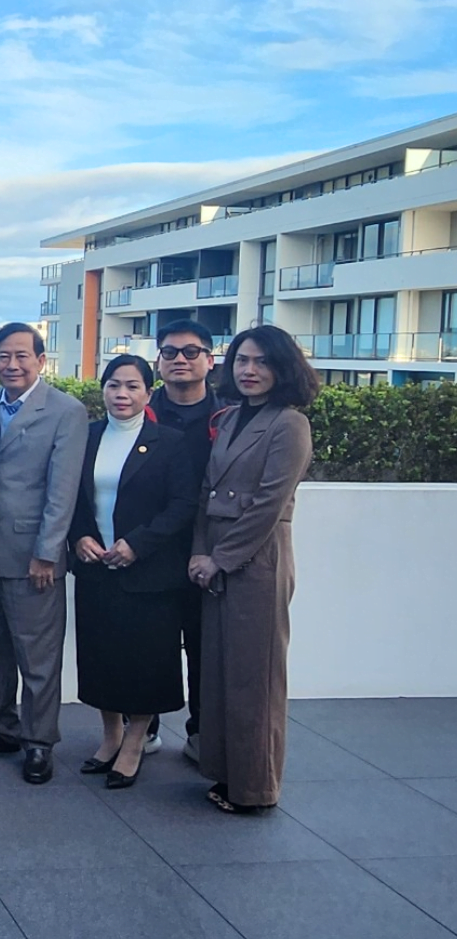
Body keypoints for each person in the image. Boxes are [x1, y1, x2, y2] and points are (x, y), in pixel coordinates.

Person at [191, 325, 316, 815]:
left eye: (262, 361)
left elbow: (269, 505)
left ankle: (255, 788)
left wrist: (219, 558)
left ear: (282, 368)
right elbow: (205, 493)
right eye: (242, 360)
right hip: (216, 558)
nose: (249, 370)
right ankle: (225, 772)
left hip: (259, 561)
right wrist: (200, 553)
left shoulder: (289, 424)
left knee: (255, 679)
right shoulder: (228, 418)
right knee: (220, 674)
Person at [0, 322, 87, 785]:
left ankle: (38, 742)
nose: (11, 365)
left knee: (37, 656)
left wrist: (48, 552)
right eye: (3, 357)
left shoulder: (64, 411)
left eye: (21, 356)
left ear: (40, 361)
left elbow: (62, 489)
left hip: (33, 554)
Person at [68, 355, 198, 789]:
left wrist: (137, 544)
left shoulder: (171, 442)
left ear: (148, 392)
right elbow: (70, 498)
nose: (121, 395)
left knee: (145, 662)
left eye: (132, 386)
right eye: (113, 385)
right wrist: (79, 537)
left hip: (149, 573)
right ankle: (110, 737)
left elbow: (182, 506)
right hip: (96, 568)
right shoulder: (85, 438)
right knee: (102, 658)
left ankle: (136, 742)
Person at [149, 318, 222, 763]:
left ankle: (202, 733)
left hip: (209, 552)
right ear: (158, 362)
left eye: (191, 352)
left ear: (210, 361)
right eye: (170, 352)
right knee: (151, 645)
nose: (180, 359)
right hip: (152, 549)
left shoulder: (231, 416)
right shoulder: (138, 409)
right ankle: (146, 727)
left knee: (204, 649)